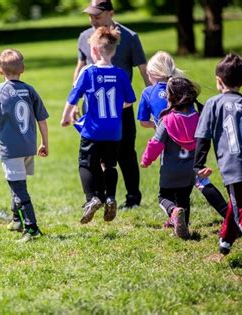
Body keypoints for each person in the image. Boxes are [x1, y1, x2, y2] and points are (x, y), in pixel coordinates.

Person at [194, 53, 242, 277]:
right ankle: (226, 239)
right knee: (237, 200)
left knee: (240, 210)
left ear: (218, 81)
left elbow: (203, 138)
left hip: (233, 164)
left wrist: (198, 166)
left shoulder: (213, 104)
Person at [73, 0, 150, 209]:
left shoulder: (129, 37)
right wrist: (75, 103)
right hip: (94, 111)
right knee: (94, 156)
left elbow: (144, 70)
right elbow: (81, 67)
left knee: (125, 153)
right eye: (90, 15)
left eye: (97, 15)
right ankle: (98, 197)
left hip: (121, 108)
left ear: (111, 13)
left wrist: (153, 101)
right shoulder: (85, 37)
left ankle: (133, 197)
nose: (92, 19)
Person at [138, 51, 228, 221]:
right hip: (193, 158)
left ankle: (174, 215)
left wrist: (146, 158)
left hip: (170, 155)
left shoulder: (154, 101)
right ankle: (229, 216)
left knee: (166, 194)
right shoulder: (188, 101)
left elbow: (149, 132)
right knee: (195, 186)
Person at [61, 26, 136, 224]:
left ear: (93, 51)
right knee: (110, 165)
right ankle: (110, 197)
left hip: (92, 130)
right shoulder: (120, 74)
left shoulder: (88, 73)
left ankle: (92, 197)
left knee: (86, 164)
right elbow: (130, 100)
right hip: (113, 131)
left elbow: (73, 97)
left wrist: (66, 117)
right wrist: (116, 107)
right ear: (114, 50)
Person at [0, 49, 49, 243]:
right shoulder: (30, 90)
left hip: (10, 148)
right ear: (23, 69)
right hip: (29, 146)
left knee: (18, 187)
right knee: (17, 183)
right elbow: (42, 120)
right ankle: (16, 220)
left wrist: (4, 132)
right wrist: (44, 142)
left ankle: (31, 228)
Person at [140, 77, 202, 240]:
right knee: (184, 198)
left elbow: (156, 144)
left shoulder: (166, 120)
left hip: (170, 171)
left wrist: (146, 160)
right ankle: (183, 227)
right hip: (190, 170)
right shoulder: (197, 117)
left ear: (171, 98)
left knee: (164, 197)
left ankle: (174, 213)